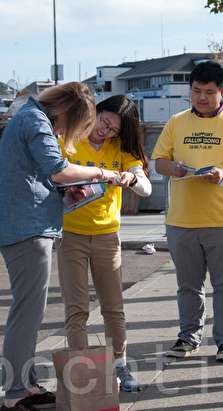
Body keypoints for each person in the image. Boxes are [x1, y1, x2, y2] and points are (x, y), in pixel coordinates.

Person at [0, 82, 122, 411]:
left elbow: (43, 175)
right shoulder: (36, 121)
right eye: (72, 125)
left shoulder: (27, 117)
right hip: (27, 229)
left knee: (29, 312)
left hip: (26, 227)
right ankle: (15, 394)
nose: (66, 132)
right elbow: (59, 169)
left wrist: (68, 189)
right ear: (65, 113)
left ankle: (28, 385)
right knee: (27, 313)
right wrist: (102, 173)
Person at [152, 60, 223, 361]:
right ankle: (188, 337)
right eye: (196, 91)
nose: (201, 98)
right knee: (187, 285)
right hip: (181, 220)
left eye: (209, 92)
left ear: (222, 91)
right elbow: (159, 162)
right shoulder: (177, 122)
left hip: (222, 219)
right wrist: (175, 168)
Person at [56, 95, 152, 392]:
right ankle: (82, 372)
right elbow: (52, 179)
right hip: (70, 234)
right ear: (95, 112)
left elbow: (146, 187)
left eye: (112, 129)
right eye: (103, 121)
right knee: (76, 308)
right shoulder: (69, 142)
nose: (104, 130)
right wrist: (67, 193)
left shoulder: (120, 150)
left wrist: (130, 178)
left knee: (113, 306)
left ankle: (119, 367)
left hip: (108, 236)